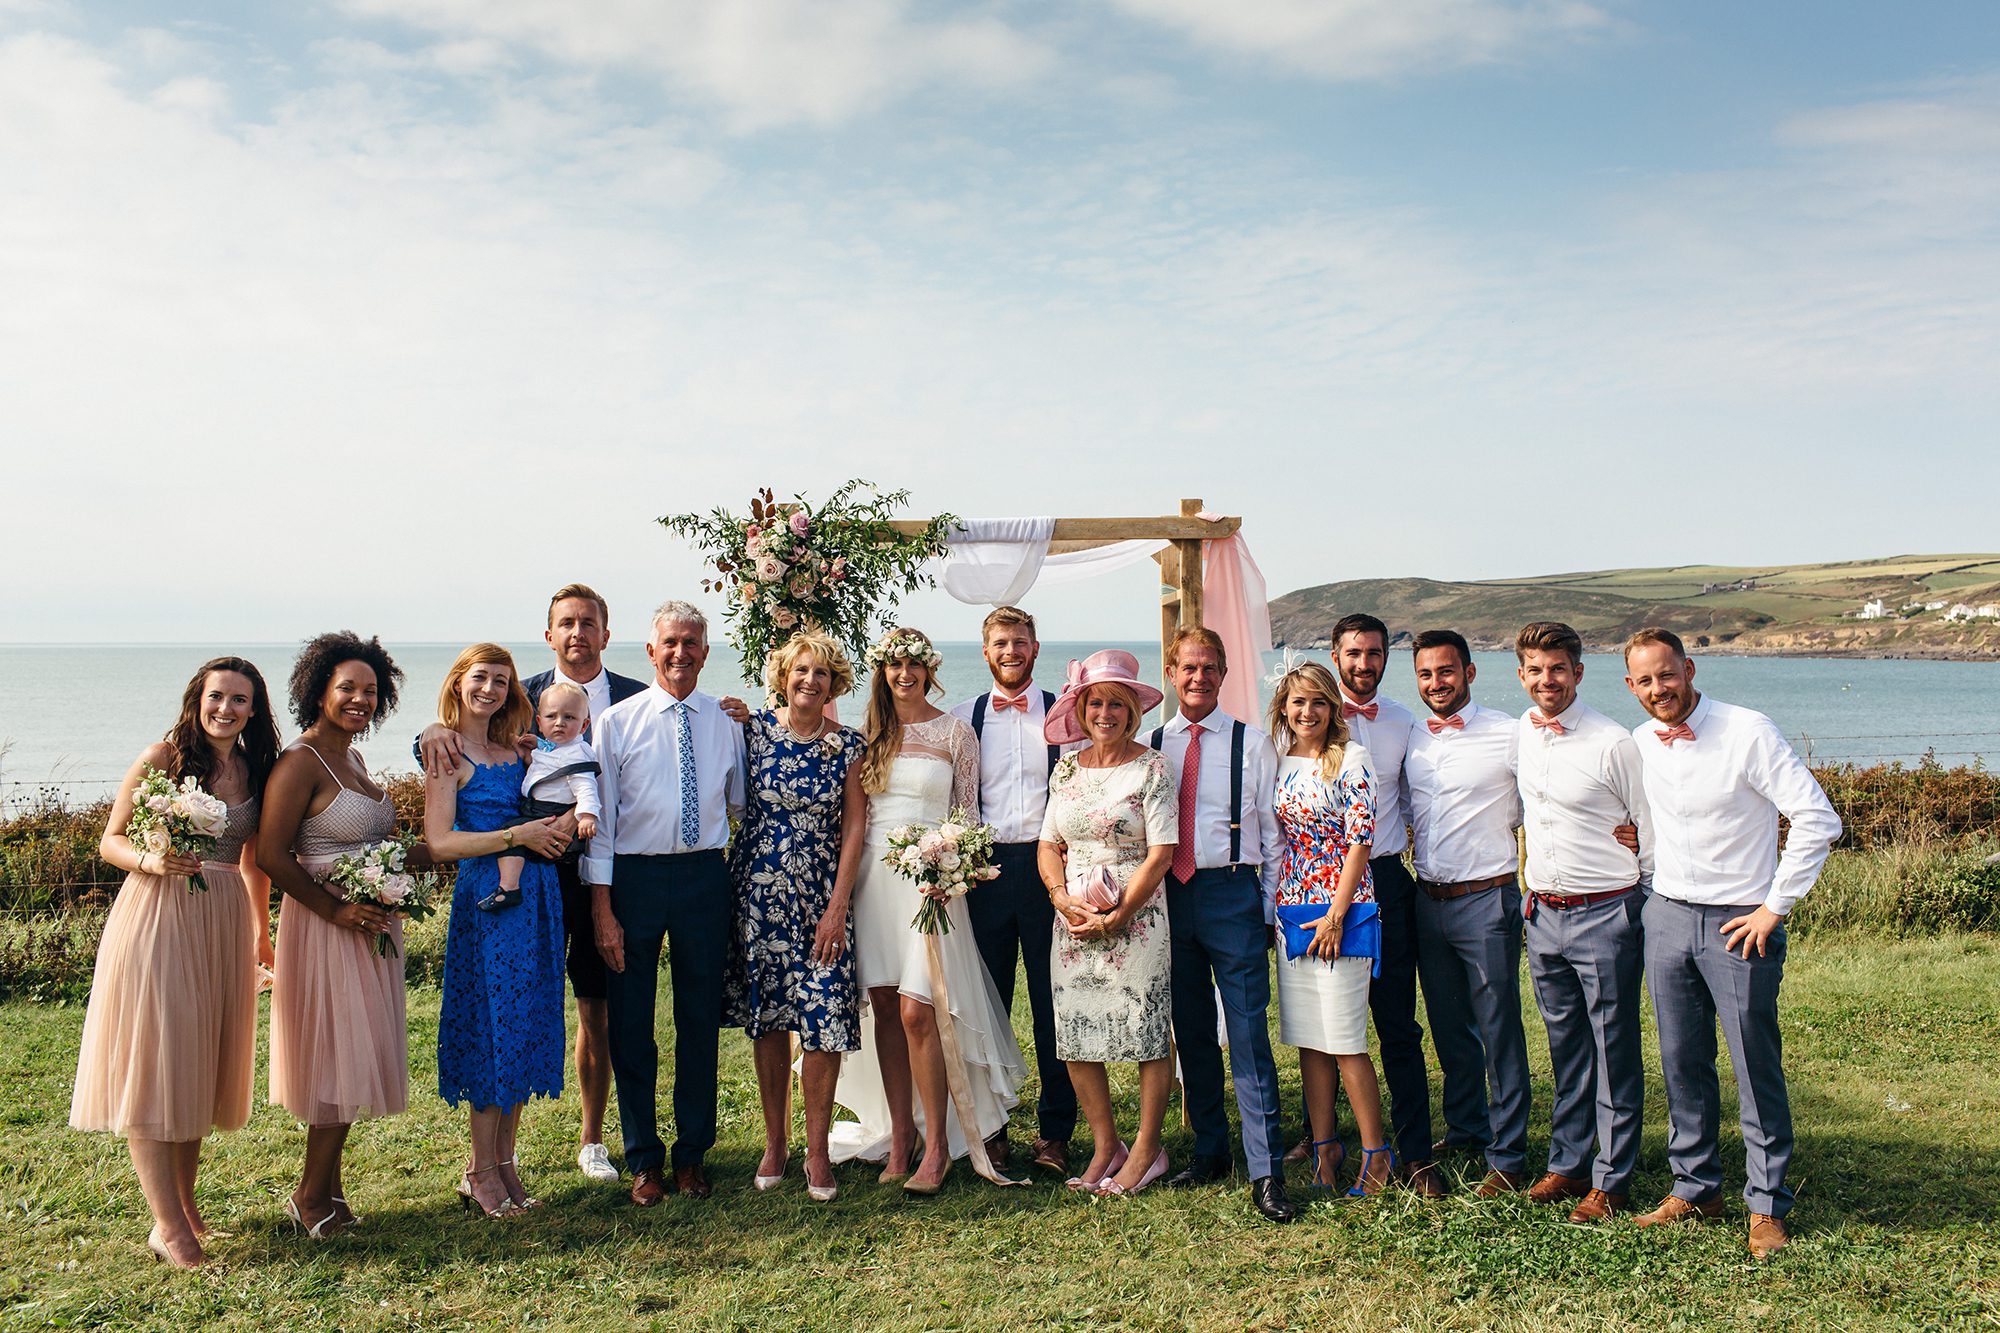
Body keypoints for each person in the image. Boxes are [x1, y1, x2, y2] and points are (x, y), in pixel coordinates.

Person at [1624, 628, 1841, 1259]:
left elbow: (1817, 819)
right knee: (1681, 1060)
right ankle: (1695, 1189)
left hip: (1740, 922)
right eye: (1644, 681)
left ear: (1689, 669)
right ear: (1631, 686)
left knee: (1753, 1061)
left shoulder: (1748, 730)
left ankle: (1766, 1204)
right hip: (1665, 913)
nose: (1658, 690)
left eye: (1667, 675)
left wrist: (1774, 907)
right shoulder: (1641, 741)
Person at [420, 584, 645, 1186]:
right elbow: (450, 796)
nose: (577, 632)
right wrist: (431, 728)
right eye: (565, 623)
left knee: (563, 1013)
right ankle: (486, 1168)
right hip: (511, 884)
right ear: (549, 634)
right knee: (497, 1017)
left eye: (588, 622)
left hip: (575, 878)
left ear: (605, 631)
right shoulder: (526, 702)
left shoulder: (636, 700)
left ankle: (578, 1143)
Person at [70, 657, 280, 1267]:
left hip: (221, 918)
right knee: (158, 1060)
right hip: (158, 914)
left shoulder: (254, 768)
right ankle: (168, 1226)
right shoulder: (164, 757)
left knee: (195, 1064)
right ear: (198, 698)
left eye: (240, 700)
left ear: (253, 710)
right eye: (218, 696)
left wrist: (259, 935)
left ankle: (186, 1209)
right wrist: (152, 861)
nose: (227, 709)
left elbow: (253, 861)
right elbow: (111, 840)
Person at [830, 627, 1027, 1195]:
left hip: (931, 888)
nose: (904, 674)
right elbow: (856, 821)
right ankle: (900, 1136)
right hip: (875, 884)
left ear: (930, 668)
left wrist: (949, 869)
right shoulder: (865, 736)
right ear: (881, 672)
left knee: (922, 1013)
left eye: (914, 664)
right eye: (894, 665)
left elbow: (967, 815)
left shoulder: (956, 732)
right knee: (886, 1010)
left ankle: (938, 1144)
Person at [583, 601, 746, 1204]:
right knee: (632, 1023)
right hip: (634, 881)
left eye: (692, 643)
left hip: (705, 878)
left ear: (706, 651)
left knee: (698, 1020)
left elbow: (742, 804)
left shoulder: (727, 722)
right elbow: (599, 824)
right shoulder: (617, 723)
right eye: (670, 643)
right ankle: (644, 1158)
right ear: (651, 652)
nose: (681, 653)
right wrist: (603, 909)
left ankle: (692, 1155)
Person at [259, 632, 408, 1238]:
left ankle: (330, 1191)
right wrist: (334, 909)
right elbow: (271, 853)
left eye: (371, 691)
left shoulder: (354, 758)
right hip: (326, 927)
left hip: (368, 925)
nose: (360, 699)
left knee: (355, 1053)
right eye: (348, 687)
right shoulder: (302, 760)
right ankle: (310, 1198)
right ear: (319, 689)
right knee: (333, 1061)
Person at [1151, 627, 1297, 1224]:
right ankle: (1210, 1149)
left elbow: (1274, 833)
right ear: (1171, 670)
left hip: (1231, 891)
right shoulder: (1151, 741)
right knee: (1190, 1030)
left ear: (1224, 672)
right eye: (1188, 667)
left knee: (1247, 1035)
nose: (1198, 677)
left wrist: (1262, 909)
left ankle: (1266, 1170)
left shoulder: (1252, 743)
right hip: (1169, 895)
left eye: (1209, 667)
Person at [424, 643, 571, 1218]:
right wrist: (519, 838)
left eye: (502, 681)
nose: (490, 689)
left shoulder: (516, 749)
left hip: (537, 899)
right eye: (480, 677)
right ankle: (479, 1169)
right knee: (491, 1029)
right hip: (488, 903)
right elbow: (440, 842)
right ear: (459, 681)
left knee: (524, 1025)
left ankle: (507, 1163)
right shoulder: (445, 751)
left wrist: (553, 829)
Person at [1512, 621, 1652, 1223]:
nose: (1548, 680)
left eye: (1558, 669)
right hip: (1543, 914)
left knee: (1612, 1046)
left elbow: (1652, 824)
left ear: (1578, 672)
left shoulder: (1614, 742)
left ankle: (1612, 1177)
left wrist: (1635, 901)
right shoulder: (1523, 729)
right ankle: (1568, 1165)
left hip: (1606, 913)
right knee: (1566, 1046)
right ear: (1522, 674)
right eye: (1536, 670)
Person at [725, 630, 869, 1204]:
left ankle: (816, 1150)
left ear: (835, 685)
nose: (810, 681)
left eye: (823, 674)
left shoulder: (849, 746)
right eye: (801, 671)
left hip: (820, 896)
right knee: (770, 1018)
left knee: (823, 1017)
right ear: (783, 676)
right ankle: (774, 1142)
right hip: (758, 896)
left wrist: (838, 905)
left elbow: (855, 828)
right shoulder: (753, 731)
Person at [1036, 651, 1178, 1195]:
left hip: (1135, 916)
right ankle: (1104, 1146)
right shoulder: (1067, 767)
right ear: (1080, 708)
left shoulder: (1152, 767)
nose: (1104, 713)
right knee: (1073, 1035)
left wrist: (1120, 915)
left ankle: (1147, 1149)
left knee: (1145, 1033)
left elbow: (1162, 852)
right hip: (1071, 917)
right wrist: (1060, 898)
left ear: (1131, 712)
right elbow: (1050, 843)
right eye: (1095, 702)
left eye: (1115, 704)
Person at [1402, 628, 1533, 1196]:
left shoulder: (1510, 734)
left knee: (1498, 1027)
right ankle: (1466, 1129)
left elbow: (1548, 801)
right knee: (1449, 1027)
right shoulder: (1413, 738)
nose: (1437, 683)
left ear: (1470, 673)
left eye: (1447, 671)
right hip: (1428, 899)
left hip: (1487, 899)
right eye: (1427, 674)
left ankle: (1508, 1153)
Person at [949, 605, 1078, 1175]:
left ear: (1035, 647)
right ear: (986, 652)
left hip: (1050, 869)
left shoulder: (1065, 717)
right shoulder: (963, 718)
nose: (1011, 651)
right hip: (983, 874)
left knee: (1055, 1004)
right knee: (987, 1005)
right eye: (1000, 643)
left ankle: (1056, 1132)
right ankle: (991, 1127)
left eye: (1020, 641)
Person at [1264, 661, 1394, 1197]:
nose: (1307, 712)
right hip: (1292, 910)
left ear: (1333, 707)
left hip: (1342, 911)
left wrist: (1337, 914)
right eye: (1297, 702)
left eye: (1318, 701)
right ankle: (1324, 1149)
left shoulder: (1353, 759)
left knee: (1344, 1040)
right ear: (1283, 710)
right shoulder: (1280, 760)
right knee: (1308, 1042)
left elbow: (1361, 840)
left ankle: (1377, 1154)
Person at [1325, 613, 1441, 1195]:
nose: (1363, 664)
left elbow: (1420, 801)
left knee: (1396, 1023)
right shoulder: (1305, 718)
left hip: (1387, 883)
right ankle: (1324, 1140)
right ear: (1335, 654)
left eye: (1373, 653)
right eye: (1353, 653)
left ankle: (1415, 1153)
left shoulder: (1404, 722)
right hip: (1321, 887)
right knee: (1324, 1022)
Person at [486, 682, 601, 912]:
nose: (559, 723)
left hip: (551, 811)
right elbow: (553, 754)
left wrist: (587, 815)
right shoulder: (556, 747)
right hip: (539, 807)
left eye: (569, 718)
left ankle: (509, 887)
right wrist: (538, 743)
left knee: (511, 832)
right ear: (539, 722)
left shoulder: (577, 754)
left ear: (584, 725)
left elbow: (586, 786)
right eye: (551, 716)